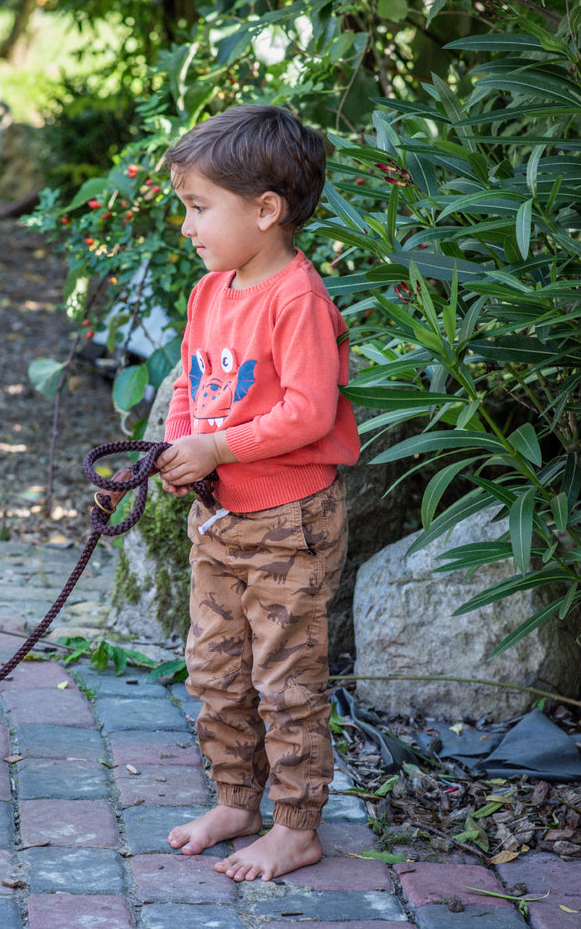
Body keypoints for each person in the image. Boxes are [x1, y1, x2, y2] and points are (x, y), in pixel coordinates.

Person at [154, 103, 360, 882]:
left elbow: (308, 410)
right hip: (221, 516)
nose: (188, 227)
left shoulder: (296, 299)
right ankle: (237, 799)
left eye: (199, 208)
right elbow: (189, 382)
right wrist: (178, 449)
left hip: (287, 522)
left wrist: (218, 445)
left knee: (285, 678)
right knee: (214, 667)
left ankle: (298, 824)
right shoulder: (213, 292)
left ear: (266, 210)